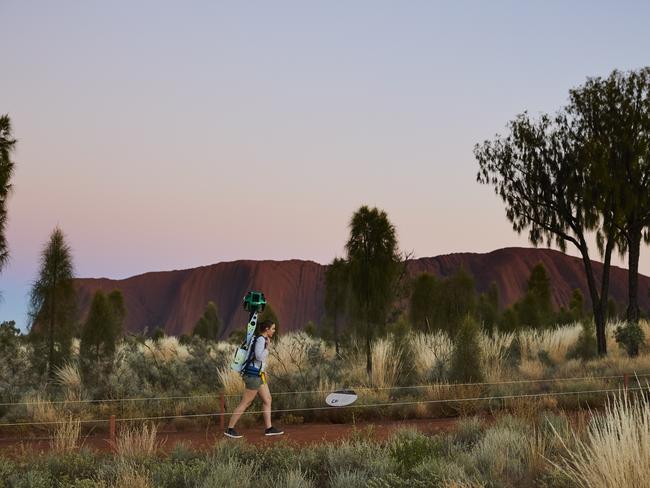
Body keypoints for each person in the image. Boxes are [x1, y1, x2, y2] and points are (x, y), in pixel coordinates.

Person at [224, 320, 284, 438]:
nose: (274, 331)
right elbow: (259, 356)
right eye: (272, 328)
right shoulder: (261, 340)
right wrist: (267, 347)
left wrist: (263, 370)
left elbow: (257, 359)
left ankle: (269, 428)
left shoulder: (260, 338)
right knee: (246, 402)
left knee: (267, 399)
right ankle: (230, 429)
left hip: (258, 374)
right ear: (266, 329)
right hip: (253, 376)